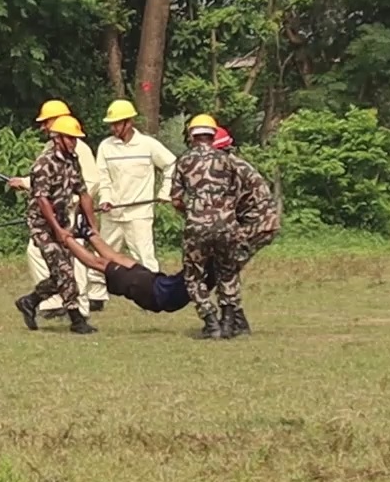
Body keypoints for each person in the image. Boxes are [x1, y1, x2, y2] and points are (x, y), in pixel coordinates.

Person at [18, 100, 107, 318]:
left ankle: (31, 302)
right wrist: (57, 228)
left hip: (66, 218)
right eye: (70, 138)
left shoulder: (76, 155)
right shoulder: (45, 160)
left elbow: (86, 189)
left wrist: (91, 225)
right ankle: (76, 318)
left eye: (46, 121)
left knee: (67, 269)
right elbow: (42, 197)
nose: (43, 127)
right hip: (44, 224)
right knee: (64, 270)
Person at [90, 99, 176, 311]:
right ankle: (96, 297)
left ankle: (154, 297)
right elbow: (103, 177)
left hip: (139, 213)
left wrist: (165, 191)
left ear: (129, 123)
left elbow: (171, 164)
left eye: (117, 123)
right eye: (112, 124)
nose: (113, 128)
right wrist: (105, 199)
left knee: (144, 256)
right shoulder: (105, 147)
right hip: (112, 213)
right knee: (103, 254)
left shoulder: (148, 145)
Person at [170, 113, 250, 340]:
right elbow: (237, 193)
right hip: (226, 225)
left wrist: (192, 213)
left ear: (192, 136)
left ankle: (210, 321)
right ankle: (227, 322)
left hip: (196, 227)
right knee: (228, 272)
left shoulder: (184, 161)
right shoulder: (227, 160)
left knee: (193, 276)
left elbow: (175, 199)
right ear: (213, 135)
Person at [44, 218, 192, 315]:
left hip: (154, 282)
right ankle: (66, 237)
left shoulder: (200, 267)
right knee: (100, 263)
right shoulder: (202, 271)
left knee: (116, 258)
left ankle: (87, 232)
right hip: (150, 291)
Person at [214, 126, 281, 332]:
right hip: (257, 223)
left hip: (257, 225)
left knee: (226, 264)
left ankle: (232, 319)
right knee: (226, 265)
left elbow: (224, 210)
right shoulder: (232, 165)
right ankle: (236, 319)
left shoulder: (229, 170)